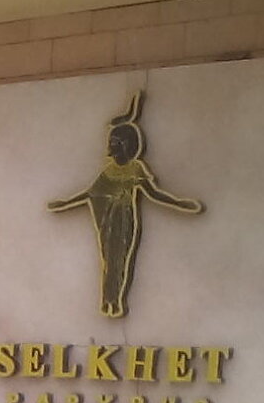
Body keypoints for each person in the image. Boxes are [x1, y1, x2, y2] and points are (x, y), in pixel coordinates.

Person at [48, 91, 203, 318]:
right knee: (108, 259)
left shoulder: (135, 168)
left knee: (119, 259)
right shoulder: (109, 170)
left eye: (114, 142)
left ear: (126, 145)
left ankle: (115, 300)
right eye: (110, 141)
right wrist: (64, 203)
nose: (110, 145)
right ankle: (107, 300)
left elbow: (153, 193)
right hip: (107, 221)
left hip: (124, 221)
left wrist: (180, 203)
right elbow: (91, 193)